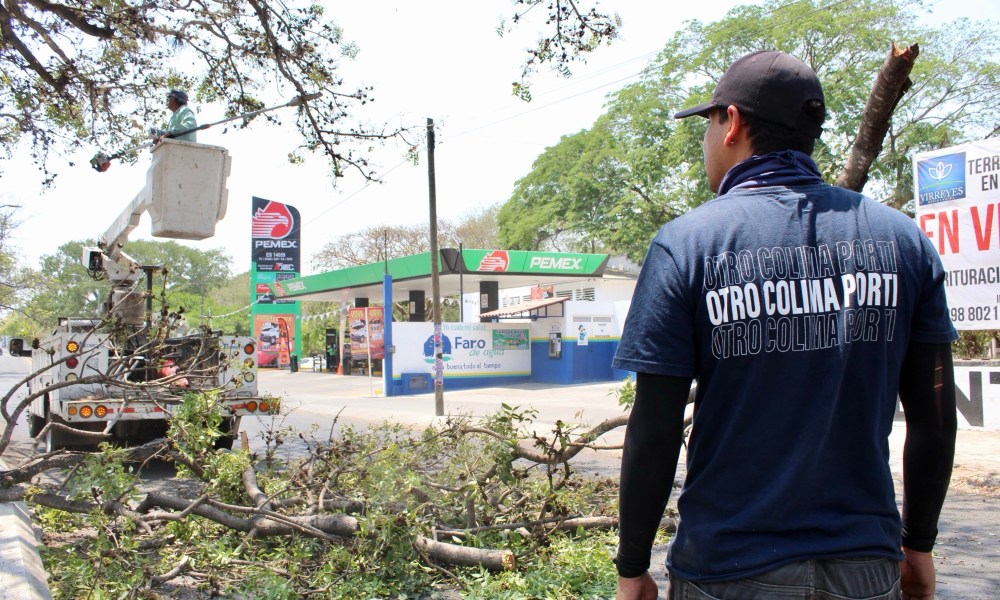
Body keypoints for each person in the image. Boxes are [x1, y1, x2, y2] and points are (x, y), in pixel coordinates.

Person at [612, 50, 957, 600]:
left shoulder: (687, 245)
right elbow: (934, 416)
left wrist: (632, 566)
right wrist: (919, 545)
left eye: (709, 123)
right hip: (865, 567)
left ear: (732, 123)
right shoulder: (905, 241)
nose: (707, 139)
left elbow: (654, 429)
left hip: (727, 569)